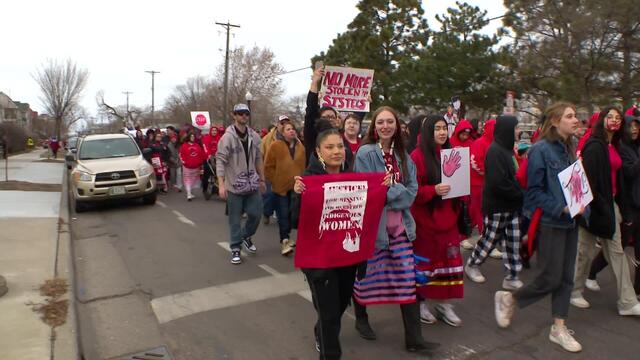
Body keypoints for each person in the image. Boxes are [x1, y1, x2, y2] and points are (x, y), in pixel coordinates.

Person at [493, 102, 585, 353]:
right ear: (555, 122)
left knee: (567, 278)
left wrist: (580, 201)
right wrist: (561, 208)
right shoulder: (540, 151)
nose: (575, 119)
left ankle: (559, 327)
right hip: (551, 222)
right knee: (550, 278)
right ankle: (510, 298)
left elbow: (573, 185)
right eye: (570, 116)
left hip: (572, 222)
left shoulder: (570, 148)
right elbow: (533, 194)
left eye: (575, 116)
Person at [352, 106, 439, 355]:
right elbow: (368, 189)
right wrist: (393, 191)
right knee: (365, 279)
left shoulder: (404, 154)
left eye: (390, 121)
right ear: (374, 126)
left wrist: (393, 191)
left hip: (400, 227)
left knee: (406, 280)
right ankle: (361, 319)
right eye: (381, 122)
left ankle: (414, 339)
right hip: (374, 227)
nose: (386, 126)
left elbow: (411, 193)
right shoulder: (365, 153)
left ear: (397, 126)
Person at [291, 121, 358, 360]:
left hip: (347, 258)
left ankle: (320, 330)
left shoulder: (354, 179)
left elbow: (365, 214)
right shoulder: (308, 180)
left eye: (339, 146)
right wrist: (298, 195)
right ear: (318, 152)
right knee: (330, 316)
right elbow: (294, 219)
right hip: (319, 262)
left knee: (338, 308)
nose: (336, 151)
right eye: (329, 147)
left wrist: (383, 187)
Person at [570, 106, 640, 315]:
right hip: (592, 207)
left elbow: (619, 176)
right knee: (584, 251)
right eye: (610, 117)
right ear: (602, 120)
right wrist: (597, 207)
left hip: (609, 205)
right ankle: (574, 291)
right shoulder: (594, 145)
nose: (615, 120)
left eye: (618, 118)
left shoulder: (614, 144)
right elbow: (587, 180)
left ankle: (627, 302)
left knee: (616, 251)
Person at [410, 115, 464, 326]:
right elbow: (412, 190)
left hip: (449, 220)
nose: (442, 132)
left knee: (450, 263)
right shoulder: (416, 156)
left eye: (444, 128)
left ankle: (444, 303)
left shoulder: (452, 154)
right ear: (427, 132)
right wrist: (433, 190)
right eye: (437, 128)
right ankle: (420, 302)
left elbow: (459, 185)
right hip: (425, 222)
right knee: (426, 264)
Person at [465, 116, 524, 289]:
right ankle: (472, 265)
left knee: (513, 241)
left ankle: (512, 276)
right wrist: (520, 194)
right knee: (490, 239)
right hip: (497, 206)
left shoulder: (507, 150)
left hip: (512, 205)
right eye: (516, 128)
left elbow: (515, 175)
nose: (518, 131)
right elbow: (500, 183)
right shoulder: (495, 151)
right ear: (507, 130)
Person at [587, 113, 640, 294]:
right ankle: (590, 274)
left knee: (624, 249)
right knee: (615, 247)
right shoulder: (619, 147)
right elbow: (628, 173)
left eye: (637, 126)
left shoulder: (631, 146)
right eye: (630, 126)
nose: (634, 129)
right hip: (624, 204)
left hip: (629, 203)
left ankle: (635, 292)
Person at [216, 104, 266, 265]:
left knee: (256, 214)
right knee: (235, 219)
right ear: (234, 115)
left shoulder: (254, 136)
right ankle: (235, 248)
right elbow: (221, 162)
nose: (244, 116)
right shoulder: (227, 138)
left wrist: (262, 179)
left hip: (252, 185)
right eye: (240, 113)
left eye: (246, 113)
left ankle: (246, 235)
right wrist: (221, 185)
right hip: (234, 186)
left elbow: (258, 159)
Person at [264, 122, 305, 256]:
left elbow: (303, 166)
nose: (292, 131)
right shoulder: (276, 145)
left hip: (296, 187)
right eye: (288, 129)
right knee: (282, 214)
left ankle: (287, 236)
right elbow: (268, 166)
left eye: (293, 129)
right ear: (282, 132)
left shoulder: (300, 147)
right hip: (280, 187)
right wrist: (274, 180)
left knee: (291, 214)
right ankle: (284, 241)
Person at [304, 66, 354, 167]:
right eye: (326, 117)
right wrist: (314, 83)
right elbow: (311, 111)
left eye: (332, 117)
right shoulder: (313, 135)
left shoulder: (341, 137)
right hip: (318, 179)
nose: (330, 120)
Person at [463, 119, 496, 251]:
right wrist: (489, 173)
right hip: (477, 183)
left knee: (480, 211)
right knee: (479, 211)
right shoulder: (480, 143)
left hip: (488, 184)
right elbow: (475, 162)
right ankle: (484, 239)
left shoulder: (494, 143)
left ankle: (469, 232)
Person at [260, 115, 291, 224]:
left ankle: (281, 216)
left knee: (283, 196)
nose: (284, 125)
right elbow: (261, 154)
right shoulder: (268, 138)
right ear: (277, 125)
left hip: (285, 172)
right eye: (282, 123)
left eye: (286, 123)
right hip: (270, 171)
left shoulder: (292, 138)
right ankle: (266, 212)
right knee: (269, 195)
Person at [179, 132, 206, 201]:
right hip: (187, 166)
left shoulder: (197, 145)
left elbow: (201, 154)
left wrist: (201, 162)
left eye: (193, 137)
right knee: (187, 179)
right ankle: (188, 193)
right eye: (191, 136)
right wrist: (184, 162)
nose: (192, 138)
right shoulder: (184, 146)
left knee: (193, 179)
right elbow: (181, 155)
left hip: (196, 166)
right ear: (188, 137)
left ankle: (189, 192)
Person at [202, 126, 222, 199]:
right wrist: (209, 155)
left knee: (218, 174)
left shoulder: (219, 138)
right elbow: (205, 147)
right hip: (208, 158)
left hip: (217, 158)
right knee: (206, 174)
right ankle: (204, 189)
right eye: (213, 130)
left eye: (215, 131)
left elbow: (221, 147)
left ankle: (217, 188)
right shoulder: (206, 138)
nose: (214, 132)